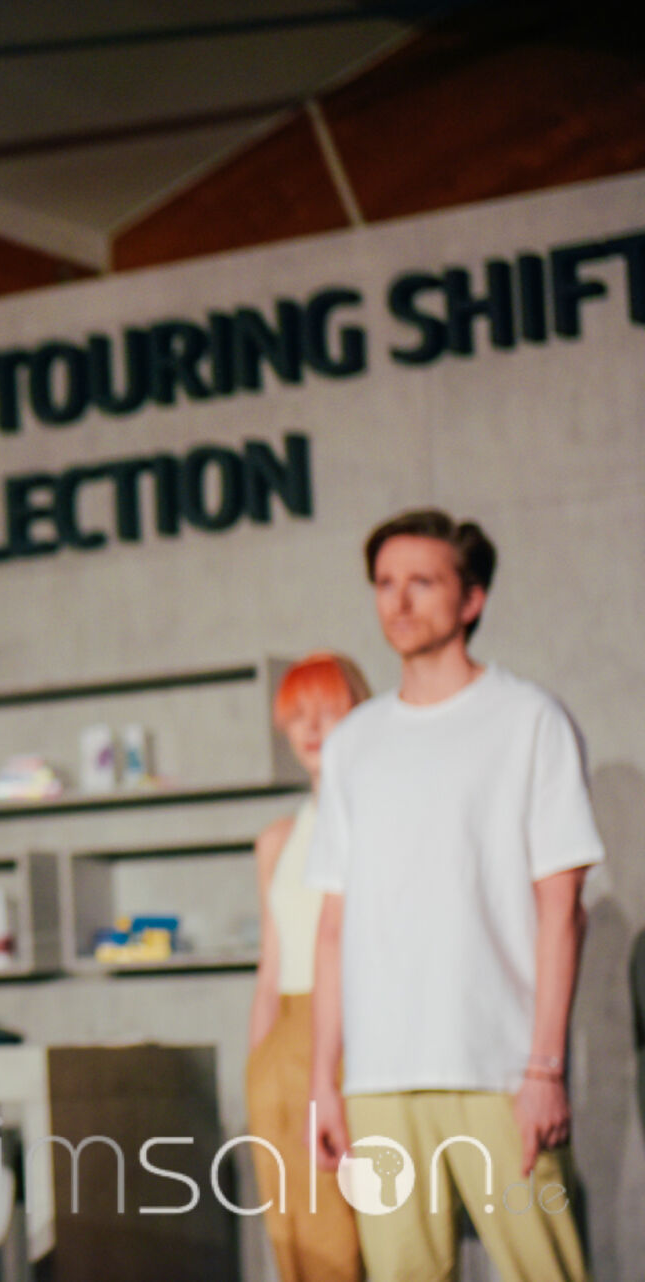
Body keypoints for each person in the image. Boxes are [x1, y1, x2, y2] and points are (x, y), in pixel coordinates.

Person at [309, 510, 600, 1282]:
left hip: (500, 1070)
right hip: (378, 1079)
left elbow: (561, 909)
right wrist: (323, 1083)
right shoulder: (353, 745)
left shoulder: (529, 720)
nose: (399, 601)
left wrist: (544, 1070)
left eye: (422, 583)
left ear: (471, 599)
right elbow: (333, 927)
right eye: (385, 583)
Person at [245, 653, 368, 1282]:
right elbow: (271, 966)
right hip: (281, 1046)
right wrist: (257, 1063)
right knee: (290, 1232)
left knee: (349, 1233)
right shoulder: (278, 839)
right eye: (297, 715)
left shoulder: (378, 819)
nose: (311, 728)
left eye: (327, 711)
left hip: (352, 1032)